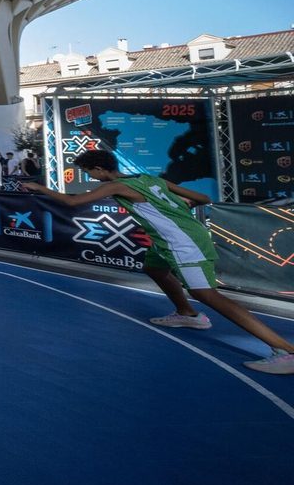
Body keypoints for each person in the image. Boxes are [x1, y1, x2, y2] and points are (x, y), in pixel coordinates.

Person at [25, 149, 294, 374]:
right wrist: (181, 205)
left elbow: (73, 202)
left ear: (98, 169)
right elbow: (203, 198)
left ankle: (285, 350)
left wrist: (38, 187)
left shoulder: (117, 185)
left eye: (88, 172)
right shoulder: (148, 178)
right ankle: (188, 314)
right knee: (153, 267)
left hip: (182, 242)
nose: (89, 177)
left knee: (208, 295)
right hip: (167, 240)